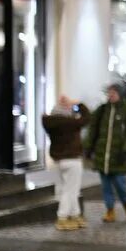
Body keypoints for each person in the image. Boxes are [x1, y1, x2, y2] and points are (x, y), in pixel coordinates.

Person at [87, 84, 126, 223]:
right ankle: (110, 211)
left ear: (119, 94)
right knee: (106, 186)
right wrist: (89, 147)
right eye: (109, 93)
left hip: (118, 155)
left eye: (113, 93)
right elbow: (93, 129)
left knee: (120, 185)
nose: (110, 96)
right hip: (103, 155)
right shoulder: (102, 110)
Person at [41, 96, 90, 230]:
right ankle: (62, 218)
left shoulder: (50, 123)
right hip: (73, 159)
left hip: (59, 160)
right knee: (71, 190)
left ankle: (75, 215)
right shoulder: (70, 122)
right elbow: (87, 117)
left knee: (68, 188)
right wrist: (78, 103)